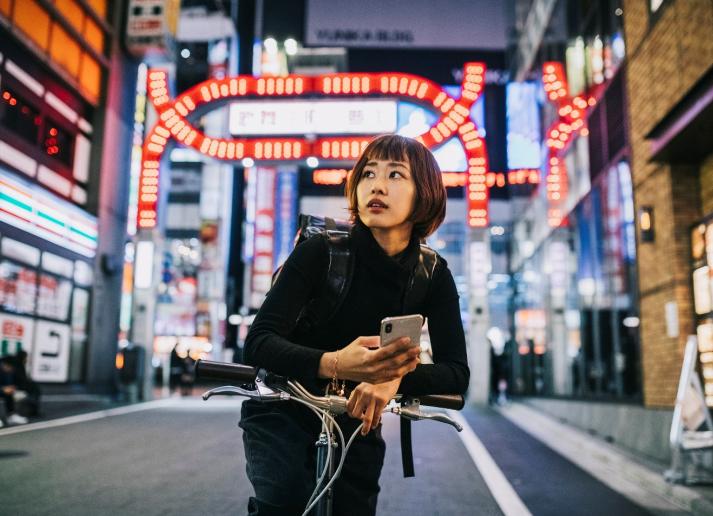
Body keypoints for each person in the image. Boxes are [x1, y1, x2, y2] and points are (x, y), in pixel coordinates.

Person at [241, 134, 470, 515]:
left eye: (396, 175)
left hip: (357, 421)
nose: (377, 185)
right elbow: (259, 342)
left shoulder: (432, 273)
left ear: (424, 193)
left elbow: (456, 373)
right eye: (367, 174)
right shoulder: (320, 251)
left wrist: (391, 379)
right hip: (283, 407)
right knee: (284, 499)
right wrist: (335, 363)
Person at [0, 356, 29, 426]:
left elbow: (9, 385)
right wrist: (2, 389)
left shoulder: (7, 372)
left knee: (10, 393)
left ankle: (11, 416)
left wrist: (11, 388)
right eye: (10, 368)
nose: (11, 370)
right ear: (4, 364)